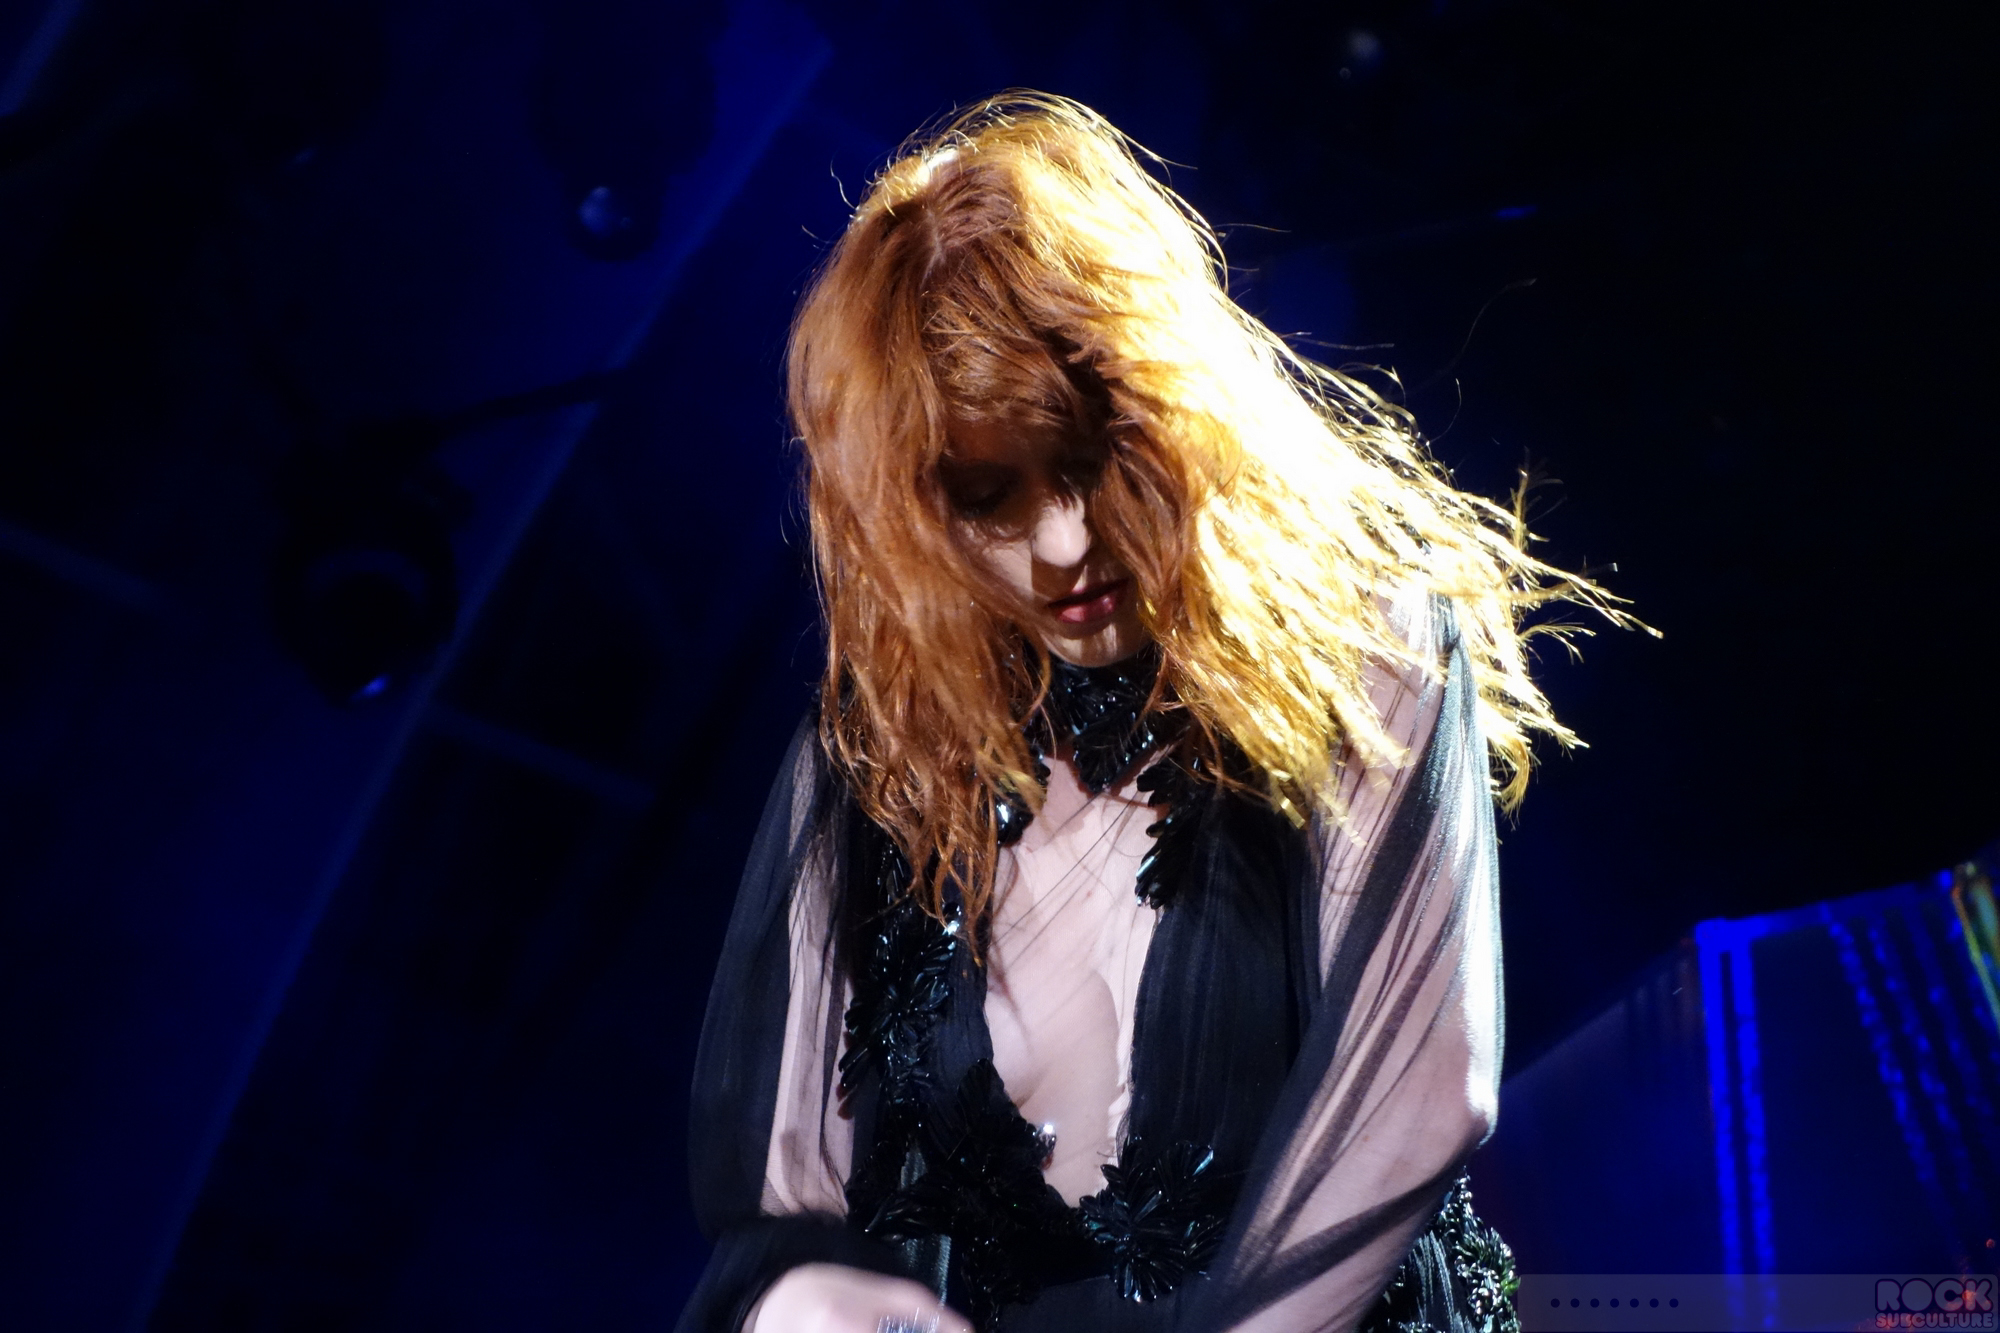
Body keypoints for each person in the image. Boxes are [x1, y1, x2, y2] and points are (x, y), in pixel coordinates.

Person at [674, 94, 1621, 1333]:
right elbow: (783, 1221)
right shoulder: (872, 766)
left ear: (1169, 401)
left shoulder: (1367, 648)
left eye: (1088, 457)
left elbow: (1422, 1100)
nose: (1065, 542)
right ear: (909, 510)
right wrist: (811, 1303)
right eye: (989, 495)